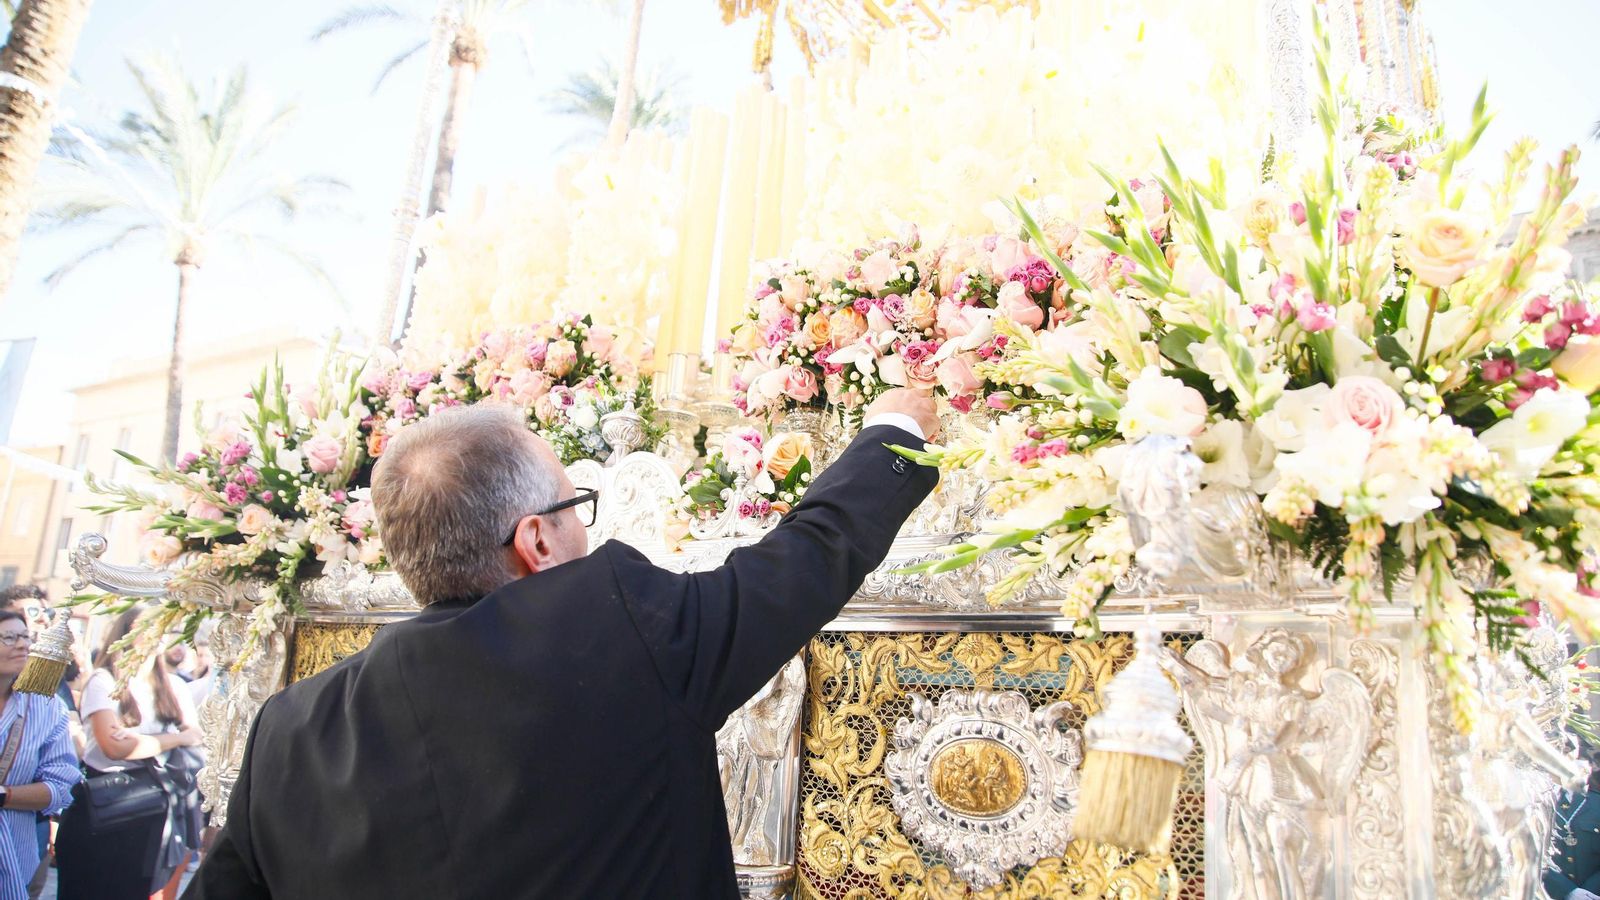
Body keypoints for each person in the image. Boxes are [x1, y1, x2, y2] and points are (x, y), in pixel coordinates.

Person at [186, 389, 940, 898]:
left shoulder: (288, 729)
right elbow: (804, 560)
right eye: (576, 504)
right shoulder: (614, 623)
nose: (589, 526)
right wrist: (894, 433)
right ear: (537, 540)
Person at [55, 608, 205, 900]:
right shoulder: (105, 680)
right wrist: (173, 738)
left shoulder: (174, 686)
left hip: (153, 808)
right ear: (127, 631)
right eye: (146, 625)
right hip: (103, 804)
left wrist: (143, 739)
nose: (156, 632)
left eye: (162, 625)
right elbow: (115, 748)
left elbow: (194, 737)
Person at [0, 610, 80, 900]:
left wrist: (5, 795)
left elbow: (61, 787)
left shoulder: (46, 707)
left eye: (25, 636)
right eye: (9, 637)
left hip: (13, 853)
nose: (22, 645)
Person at [1547, 760, 1600, 900]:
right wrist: (1568, 891)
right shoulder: (1537, 802)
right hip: (1546, 893)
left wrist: (1587, 893)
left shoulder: (1597, 805)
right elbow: (1530, 856)